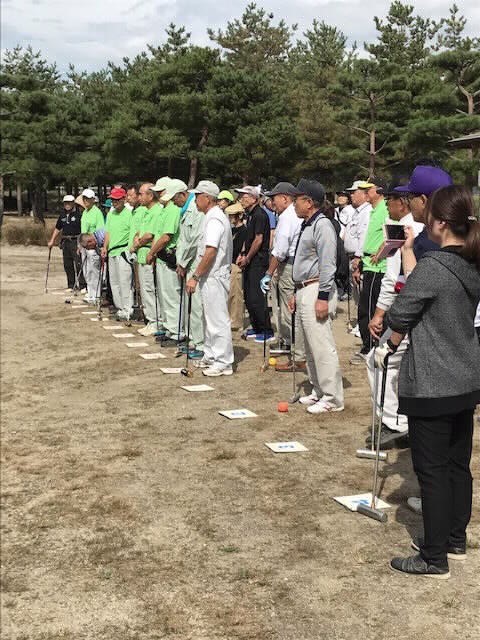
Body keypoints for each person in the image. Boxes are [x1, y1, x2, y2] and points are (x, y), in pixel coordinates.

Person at [375, 185, 480, 578]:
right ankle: (454, 538)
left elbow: (400, 315)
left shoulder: (435, 266)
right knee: (457, 464)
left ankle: (434, 556)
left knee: (432, 469)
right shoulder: (472, 261)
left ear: (437, 223)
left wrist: (408, 258)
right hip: (465, 375)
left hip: (434, 379)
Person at [364, 188, 424, 449]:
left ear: (404, 203)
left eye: (391, 202)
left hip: (407, 305)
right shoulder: (426, 226)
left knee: (380, 360)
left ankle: (395, 423)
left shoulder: (401, 229)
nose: (388, 207)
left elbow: (391, 278)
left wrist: (379, 314)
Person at [290, 179, 344, 414]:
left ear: (309, 202)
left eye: (297, 199)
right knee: (310, 345)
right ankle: (319, 390)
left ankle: (332, 397)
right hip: (304, 287)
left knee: (321, 344)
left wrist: (323, 296)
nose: (294, 204)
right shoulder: (308, 225)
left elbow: (327, 264)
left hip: (316, 289)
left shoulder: (322, 225)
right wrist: (295, 291)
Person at [186, 180, 234, 376]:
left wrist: (195, 275)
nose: (195, 200)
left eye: (198, 196)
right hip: (210, 275)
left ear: (208, 198)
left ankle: (224, 361)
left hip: (214, 275)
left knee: (217, 319)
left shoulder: (214, 219)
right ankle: (211, 354)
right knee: (208, 318)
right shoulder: (211, 216)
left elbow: (211, 251)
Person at [260, 182, 306, 373]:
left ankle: (296, 353)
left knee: (289, 309)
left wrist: (269, 273)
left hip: (288, 263)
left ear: (285, 198)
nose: (272, 203)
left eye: (274, 198)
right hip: (291, 262)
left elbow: (280, 251)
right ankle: (291, 345)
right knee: (288, 308)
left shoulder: (288, 217)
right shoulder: (290, 215)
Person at [350, 179, 389, 364]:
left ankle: (372, 347)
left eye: (368, 190)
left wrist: (382, 251)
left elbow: (392, 233)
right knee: (365, 308)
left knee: (371, 309)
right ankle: (369, 345)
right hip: (369, 264)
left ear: (379, 192)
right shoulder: (373, 210)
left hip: (378, 267)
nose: (365, 193)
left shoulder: (384, 209)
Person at [235, 185, 273, 343]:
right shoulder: (249, 215)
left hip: (258, 260)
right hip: (250, 259)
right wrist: (242, 253)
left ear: (254, 199)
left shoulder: (260, 215)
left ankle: (266, 330)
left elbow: (259, 239)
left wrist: (248, 257)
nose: (242, 199)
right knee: (249, 296)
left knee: (257, 296)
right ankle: (256, 326)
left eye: (245, 196)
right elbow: (248, 238)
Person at [172, 180, 205, 359]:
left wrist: (183, 262)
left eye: (175, 199)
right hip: (185, 263)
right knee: (189, 303)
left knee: (197, 305)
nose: (173, 203)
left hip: (194, 263)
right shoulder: (184, 210)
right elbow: (183, 240)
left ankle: (200, 343)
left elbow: (194, 241)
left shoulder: (196, 211)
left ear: (183, 195)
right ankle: (192, 339)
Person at [147, 179, 182, 345]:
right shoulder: (164, 209)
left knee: (172, 296)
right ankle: (169, 328)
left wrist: (152, 252)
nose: (158, 194)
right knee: (164, 296)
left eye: (161, 191)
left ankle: (176, 331)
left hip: (169, 257)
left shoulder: (173, 209)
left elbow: (167, 236)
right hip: (161, 257)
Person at [128, 183, 163, 336]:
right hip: (141, 255)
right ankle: (151, 320)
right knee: (145, 290)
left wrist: (138, 242)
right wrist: (137, 239)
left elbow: (151, 234)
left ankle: (155, 321)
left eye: (142, 194)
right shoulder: (146, 211)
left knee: (150, 290)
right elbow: (139, 231)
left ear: (150, 195)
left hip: (149, 254)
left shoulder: (156, 211)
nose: (139, 197)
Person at [102, 187, 134, 321]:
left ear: (123, 199)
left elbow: (132, 232)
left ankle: (128, 308)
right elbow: (108, 232)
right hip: (112, 251)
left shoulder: (129, 214)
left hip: (123, 251)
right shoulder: (111, 214)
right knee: (114, 282)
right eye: (112, 200)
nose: (114, 202)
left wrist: (130, 250)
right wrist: (105, 247)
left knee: (124, 281)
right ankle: (120, 308)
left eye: (116, 200)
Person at [48, 195, 85, 291]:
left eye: (69, 202)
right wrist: (52, 240)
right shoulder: (62, 214)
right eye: (65, 203)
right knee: (67, 264)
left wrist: (81, 243)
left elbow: (83, 229)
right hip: (65, 241)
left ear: (73, 203)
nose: (67, 205)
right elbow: (58, 228)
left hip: (76, 240)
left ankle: (82, 285)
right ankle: (71, 285)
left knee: (78, 263)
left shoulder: (79, 214)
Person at [79, 188, 105, 304]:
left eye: (88, 199)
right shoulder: (85, 212)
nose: (86, 201)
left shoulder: (97, 212)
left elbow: (100, 231)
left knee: (94, 270)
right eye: (84, 198)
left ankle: (96, 295)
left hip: (92, 246)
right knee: (86, 270)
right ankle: (90, 291)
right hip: (84, 245)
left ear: (93, 200)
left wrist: (91, 241)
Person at [226, 201, 247, 331]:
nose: (230, 218)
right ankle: (230, 318)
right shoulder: (232, 230)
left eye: (232, 215)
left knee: (236, 295)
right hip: (230, 263)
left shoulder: (244, 230)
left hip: (236, 264)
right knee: (230, 293)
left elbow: (242, 246)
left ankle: (237, 321)